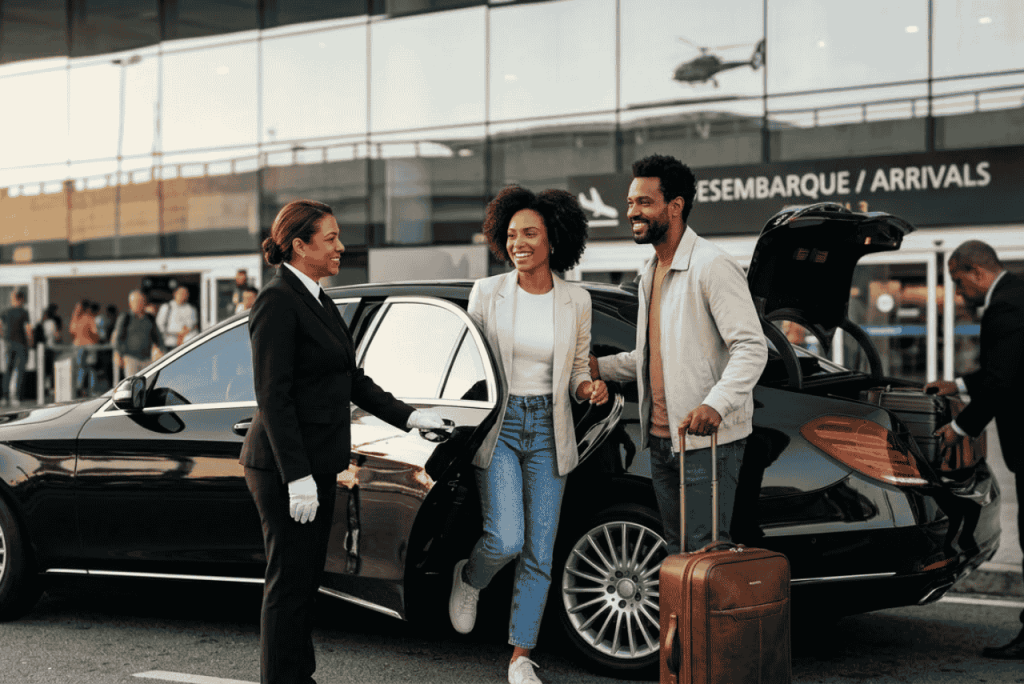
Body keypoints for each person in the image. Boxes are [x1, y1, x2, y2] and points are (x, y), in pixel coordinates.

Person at [239, 199, 443, 684]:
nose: (341, 247)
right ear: (299, 245)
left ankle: (297, 676)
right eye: (330, 239)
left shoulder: (318, 299)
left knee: (306, 582)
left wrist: (411, 417)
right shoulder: (277, 300)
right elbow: (274, 397)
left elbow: (353, 380)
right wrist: (298, 478)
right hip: (286, 470)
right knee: (288, 585)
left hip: (317, 466)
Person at [447, 186, 609, 684]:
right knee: (507, 536)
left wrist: (589, 386)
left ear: (553, 239)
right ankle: (470, 576)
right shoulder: (486, 293)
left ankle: (521, 656)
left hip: (549, 426)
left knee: (540, 549)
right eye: (512, 234)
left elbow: (578, 370)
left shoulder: (576, 299)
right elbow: (466, 367)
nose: (519, 243)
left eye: (530, 234)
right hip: (499, 425)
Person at [589, 154, 767, 557]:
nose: (632, 211)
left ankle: (705, 624)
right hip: (662, 441)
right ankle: (683, 623)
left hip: (708, 443)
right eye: (631, 202)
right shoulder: (650, 273)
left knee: (705, 554)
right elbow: (655, 357)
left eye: (644, 203)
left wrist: (715, 405)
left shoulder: (712, 266)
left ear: (675, 206)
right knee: (677, 551)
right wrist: (599, 367)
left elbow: (752, 348)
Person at [923, 240, 1024, 659]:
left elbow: (1003, 381)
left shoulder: (1004, 307)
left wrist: (960, 427)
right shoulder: (1017, 293)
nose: (958, 292)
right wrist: (959, 385)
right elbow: (1012, 366)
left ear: (976, 271)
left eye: (957, 280)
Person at [113, 290, 166, 378]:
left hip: (147, 359)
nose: (138, 304)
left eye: (141, 301)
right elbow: (118, 338)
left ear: (144, 302)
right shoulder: (125, 318)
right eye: (135, 301)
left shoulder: (150, 318)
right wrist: (118, 354)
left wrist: (162, 351)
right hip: (130, 358)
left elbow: (157, 336)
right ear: (130, 304)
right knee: (132, 384)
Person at [0, 290, 33, 407]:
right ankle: (18, 397)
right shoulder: (24, 312)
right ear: (21, 299)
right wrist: (31, 342)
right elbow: (28, 329)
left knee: (8, 370)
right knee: (20, 370)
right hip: (21, 344)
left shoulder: (6, 312)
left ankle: (4, 397)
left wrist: (3, 336)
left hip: (9, 343)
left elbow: (0, 325)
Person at [69, 299, 101, 397]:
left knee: (80, 368)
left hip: (77, 346)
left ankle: (80, 388)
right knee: (90, 369)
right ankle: (90, 390)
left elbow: (72, 331)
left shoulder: (76, 319)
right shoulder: (89, 318)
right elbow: (95, 333)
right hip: (88, 346)